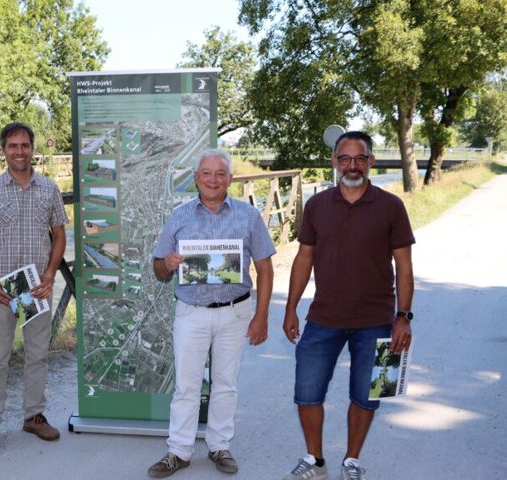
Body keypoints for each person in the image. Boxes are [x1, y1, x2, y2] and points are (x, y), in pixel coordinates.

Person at [281, 131, 415, 480]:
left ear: (371, 161)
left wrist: (403, 317)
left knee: (367, 396)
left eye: (359, 158)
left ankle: (351, 461)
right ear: (334, 162)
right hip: (323, 317)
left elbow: (404, 266)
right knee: (306, 392)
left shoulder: (391, 206)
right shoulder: (317, 205)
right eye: (345, 158)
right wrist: (290, 307)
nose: (352, 165)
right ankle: (315, 460)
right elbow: (303, 258)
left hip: (377, 320)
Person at [148, 149, 276, 477]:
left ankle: (219, 446)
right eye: (206, 173)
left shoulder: (248, 215)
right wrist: (169, 263)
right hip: (191, 312)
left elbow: (265, 268)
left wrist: (261, 316)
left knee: (225, 384)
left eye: (220, 173)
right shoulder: (179, 216)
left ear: (230, 179)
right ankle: (178, 451)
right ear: (196, 178)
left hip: (235, 312)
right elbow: (158, 268)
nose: (213, 179)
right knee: (186, 385)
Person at [0, 122, 68, 451]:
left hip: (36, 287)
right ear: (4, 150)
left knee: (37, 354)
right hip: (4, 288)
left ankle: (34, 417)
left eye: (25, 145)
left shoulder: (50, 189)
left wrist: (51, 274)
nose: (19, 151)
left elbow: (60, 235)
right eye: (13, 146)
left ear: (32, 149)